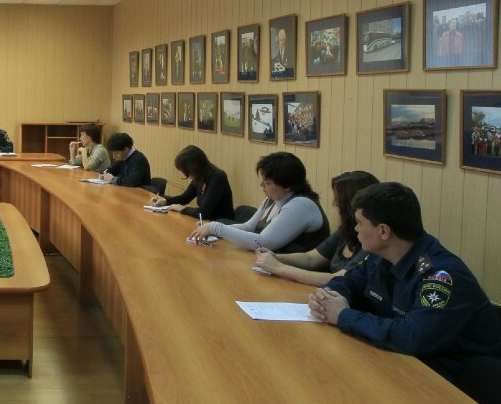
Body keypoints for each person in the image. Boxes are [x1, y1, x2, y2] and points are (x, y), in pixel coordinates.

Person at [308, 182, 501, 383]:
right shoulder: (381, 256)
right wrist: (326, 297)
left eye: (359, 222)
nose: (355, 229)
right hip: (400, 365)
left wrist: (343, 315)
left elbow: (412, 337)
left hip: (454, 382)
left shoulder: (441, 276)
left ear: (383, 231)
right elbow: (349, 283)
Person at [253, 171, 379, 285]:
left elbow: (339, 278)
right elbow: (311, 258)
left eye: (337, 202)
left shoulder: (372, 240)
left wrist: (278, 267)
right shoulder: (345, 230)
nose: (334, 206)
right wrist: (276, 257)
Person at [190, 152, 328, 253]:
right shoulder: (273, 199)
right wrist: (213, 231)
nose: (261, 185)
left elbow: (263, 242)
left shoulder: (300, 205)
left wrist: (216, 228)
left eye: (267, 183)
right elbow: (248, 227)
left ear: (288, 186)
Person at [150, 145, 233, 221]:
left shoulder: (217, 178)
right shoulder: (200, 177)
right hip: (206, 222)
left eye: (187, 172)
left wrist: (182, 209)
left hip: (222, 224)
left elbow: (203, 213)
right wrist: (165, 201)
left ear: (195, 168)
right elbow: (185, 197)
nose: (188, 176)